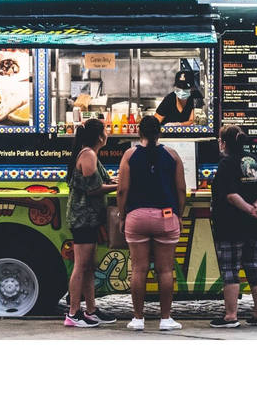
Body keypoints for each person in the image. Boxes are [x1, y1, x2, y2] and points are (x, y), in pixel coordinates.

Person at [116, 114, 186, 331]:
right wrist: (179, 215)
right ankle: (165, 319)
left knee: (139, 269)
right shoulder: (172, 155)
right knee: (165, 271)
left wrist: (122, 215)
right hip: (166, 216)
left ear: (139, 133)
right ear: (160, 132)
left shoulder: (129, 155)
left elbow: (122, 190)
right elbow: (181, 189)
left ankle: (138, 318)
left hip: (136, 217)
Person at [209, 124, 257, 328]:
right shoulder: (256, 161)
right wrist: (256, 206)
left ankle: (230, 316)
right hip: (254, 225)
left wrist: (248, 208)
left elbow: (231, 195)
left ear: (224, 143)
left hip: (230, 224)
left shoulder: (226, 164)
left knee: (230, 269)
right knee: (254, 267)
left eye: (220, 140)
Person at [64, 118, 118, 328]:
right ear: (99, 136)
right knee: (81, 265)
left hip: (89, 217)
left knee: (88, 266)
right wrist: (120, 185)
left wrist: (114, 181)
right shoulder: (88, 155)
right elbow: (93, 189)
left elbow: (98, 182)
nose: (108, 133)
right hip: (83, 217)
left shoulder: (89, 153)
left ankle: (91, 309)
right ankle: (73, 313)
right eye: (106, 130)